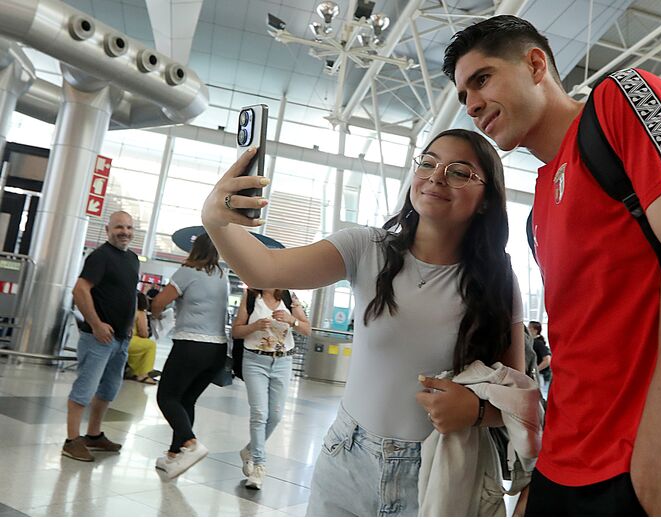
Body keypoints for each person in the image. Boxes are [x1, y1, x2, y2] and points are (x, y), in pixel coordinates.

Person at [443, 16, 661, 516]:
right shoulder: (540, 208)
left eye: (481, 79)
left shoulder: (623, 101)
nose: (472, 104)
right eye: (463, 95)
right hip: (570, 464)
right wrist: (544, 467)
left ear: (535, 64)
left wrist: (658, 449)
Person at [200, 129, 525, 516]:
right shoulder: (367, 249)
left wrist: (474, 410)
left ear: (487, 199)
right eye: (428, 162)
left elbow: (517, 398)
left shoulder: (496, 282)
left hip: (439, 472)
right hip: (347, 458)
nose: (437, 176)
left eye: (459, 172)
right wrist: (215, 219)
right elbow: (266, 268)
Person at [151, 233, 229, 480]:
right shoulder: (222, 275)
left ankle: (191, 444)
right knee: (186, 401)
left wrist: (158, 312)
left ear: (195, 249)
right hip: (217, 350)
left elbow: (158, 303)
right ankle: (174, 455)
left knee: (166, 397)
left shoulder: (186, 271)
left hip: (190, 346)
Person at [63, 211, 140, 462]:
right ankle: (72, 440)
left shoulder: (133, 259)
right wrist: (95, 324)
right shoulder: (100, 257)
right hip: (98, 338)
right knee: (84, 390)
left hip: (121, 339)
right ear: (108, 229)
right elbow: (80, 289)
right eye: (119, 227)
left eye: (129, 227)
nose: (125, 232)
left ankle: (93, 436)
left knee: (108, 389)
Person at [232, 288, 311, 490]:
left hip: (283, 362)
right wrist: (255, 326)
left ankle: (249, 450)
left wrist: (290, 320)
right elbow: (236, 331)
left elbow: (307, 329)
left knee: (275, 416)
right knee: (259, 413)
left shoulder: (289, 298)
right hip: (254, 360)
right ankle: (259, 465)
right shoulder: (250, 296)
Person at [126, 291, 157, 385]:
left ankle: (132, 370)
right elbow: (143, 333)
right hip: (130, 341)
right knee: (150, 344)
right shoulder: (140, 312)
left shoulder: (128, 310)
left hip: (121, 339)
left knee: (141, 345)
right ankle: (143, 374)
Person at [528, 321, 551, 387]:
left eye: (529, 327)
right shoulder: (533, 342)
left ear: (535, 330)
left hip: (539, 376)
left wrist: (535, 370)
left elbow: (547, 360)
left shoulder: (538, 343)